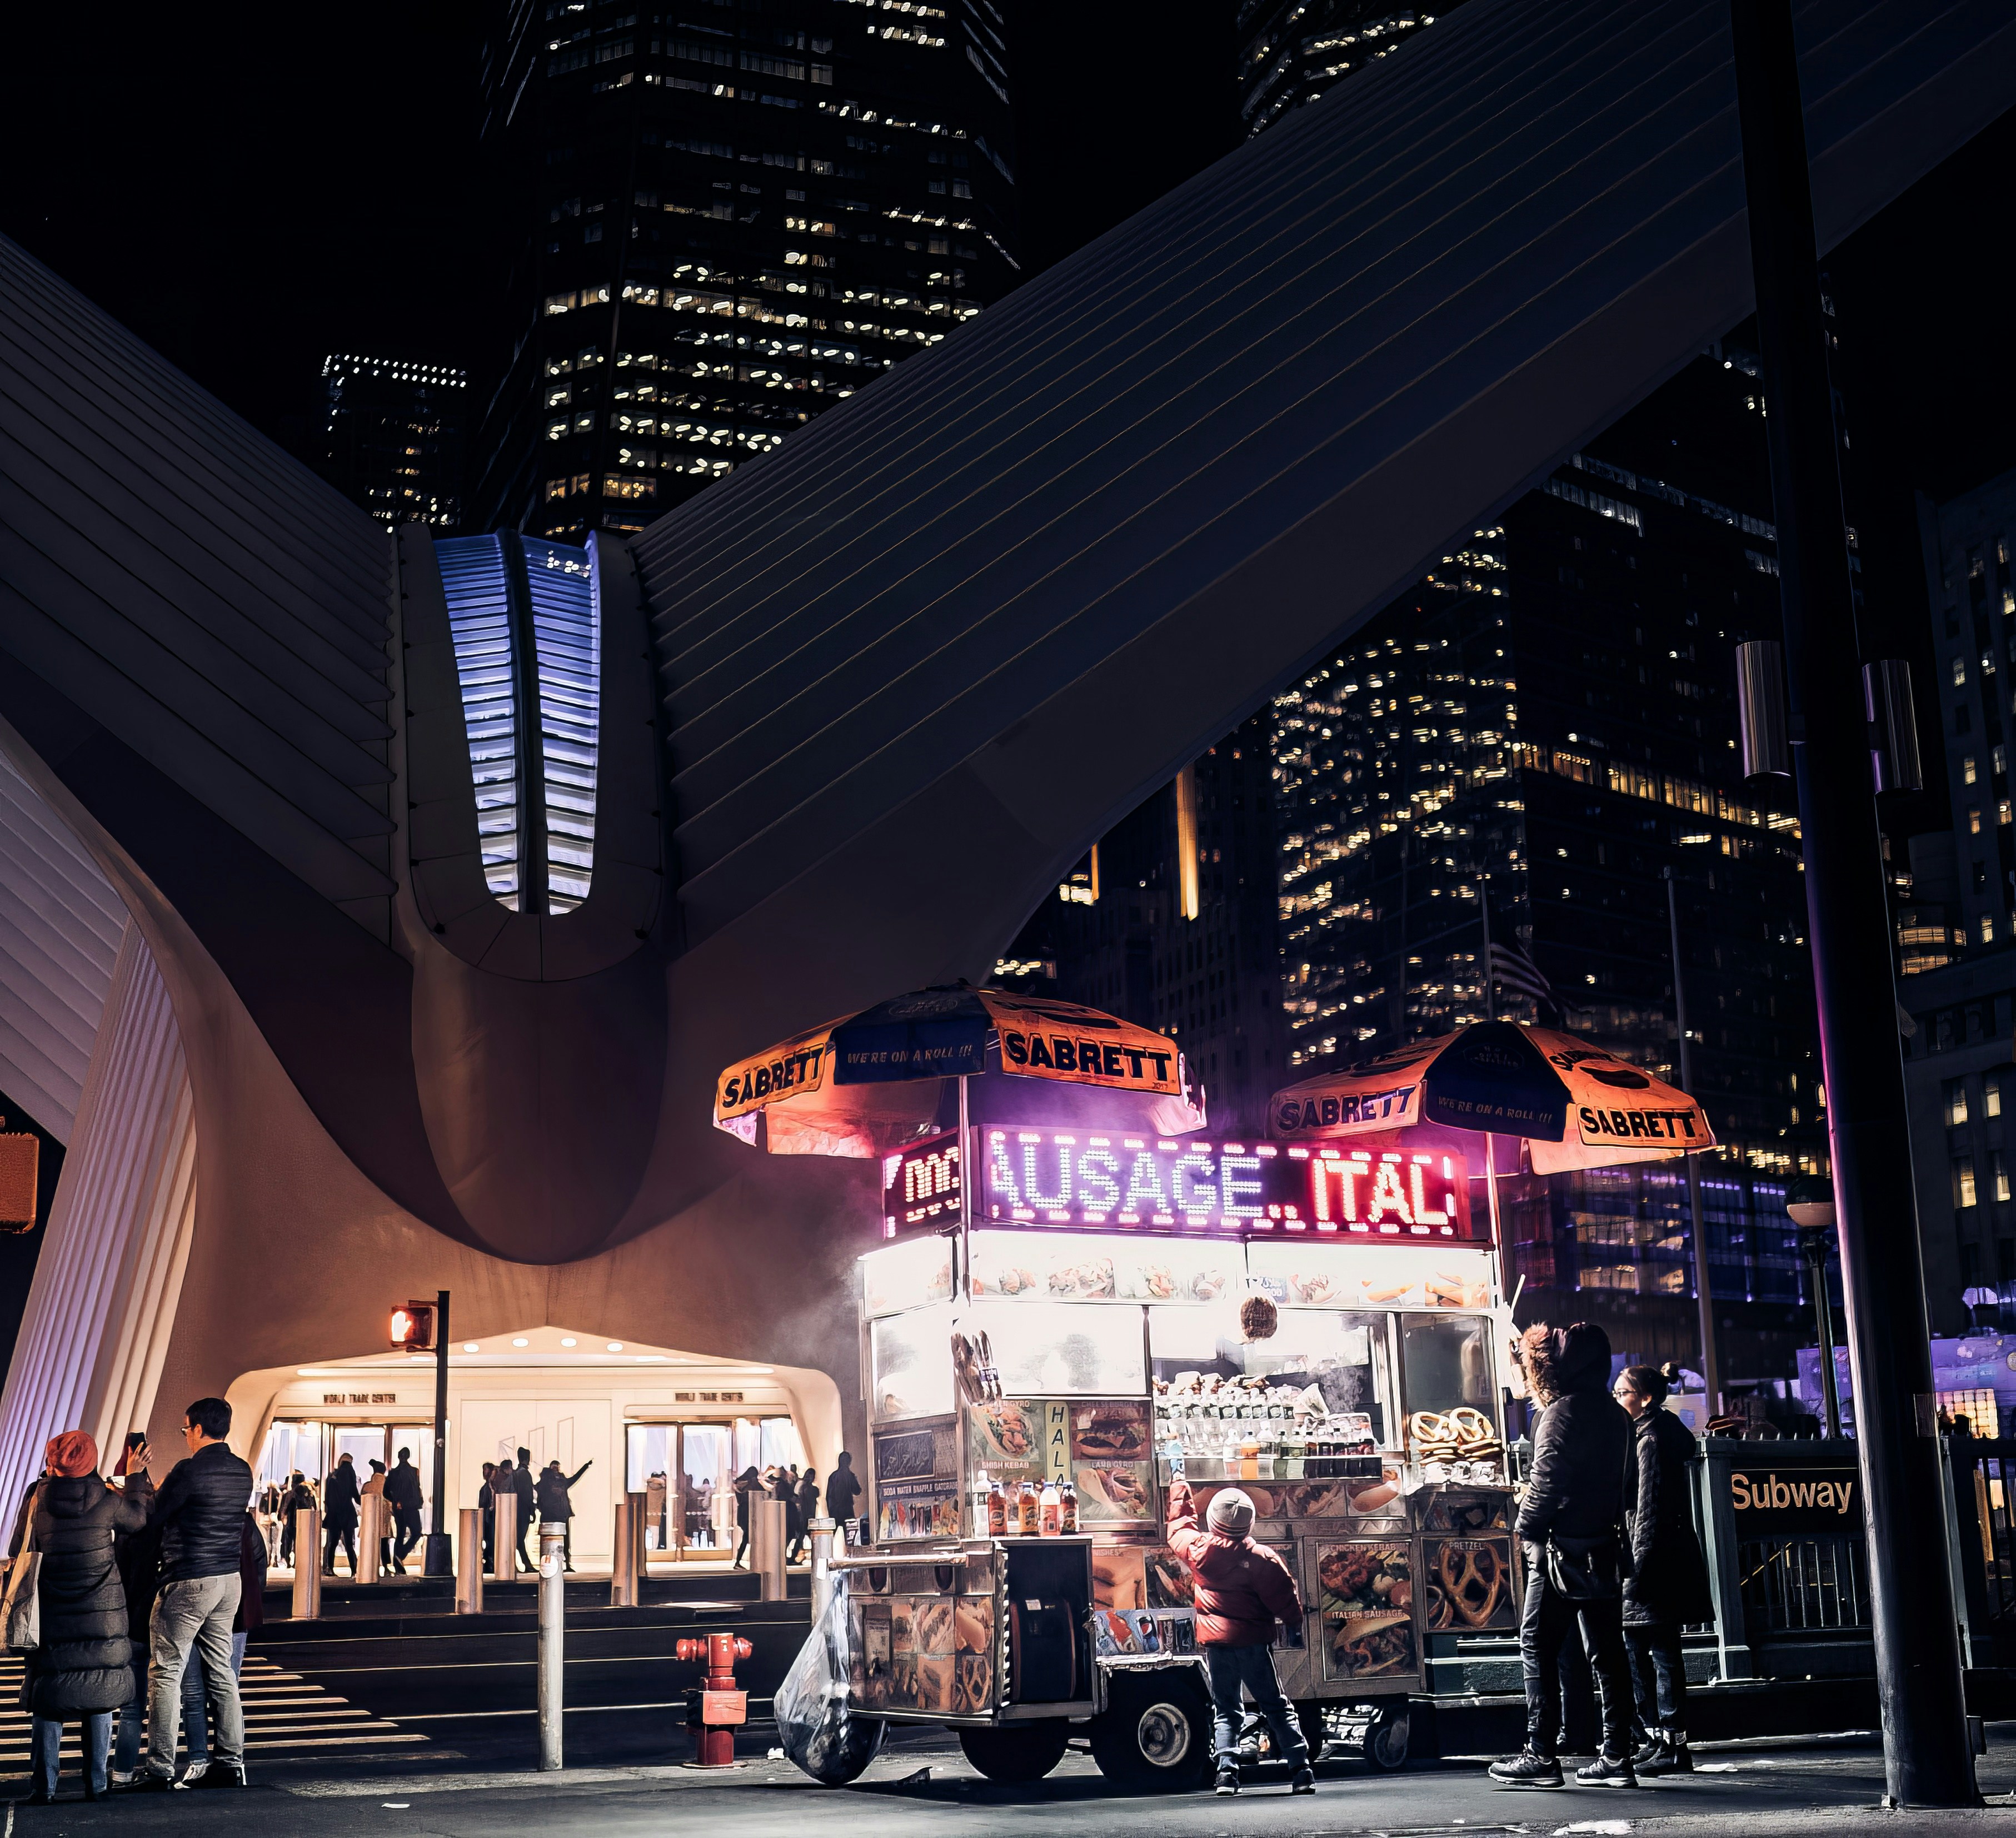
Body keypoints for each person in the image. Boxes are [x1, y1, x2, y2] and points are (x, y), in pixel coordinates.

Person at [1489, 1323, 1637, 1791]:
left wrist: (1526, 1527)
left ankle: (1540, 1754)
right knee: (1609, 1653)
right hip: (1604, 1548)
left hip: (1559, 1551)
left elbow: (1546, 1484)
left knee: (1537, 1644)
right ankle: (1617, 1755)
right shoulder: (1618, 1415)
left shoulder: (1560, 1413)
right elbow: (1629, 1488)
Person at [119, 1396, 256, 1792]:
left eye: (186, 1429)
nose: (186, 1436)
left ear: (197, 1428)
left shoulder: (189, 1469)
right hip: (228, 1580)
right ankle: (230, 1763)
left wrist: (135, 1479)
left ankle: (160, 1768)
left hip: (188, 1578)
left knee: (166, 1672)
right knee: (222, 1672)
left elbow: (150, 1519)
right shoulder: (242, 1470)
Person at [13, 1431, 148, 1803]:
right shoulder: (106, 1499)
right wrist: (135, 1476)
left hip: (51, 1614)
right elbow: (138, 1520)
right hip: (102, 1616)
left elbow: (17, 1547)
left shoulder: (37, 1498)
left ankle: (44, 1787)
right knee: (99, 1695)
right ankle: (97, 1784)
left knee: (49, 1696)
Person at [1165, 1478, 1312, 1796]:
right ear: (1250, 1524)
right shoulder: (1263, 1559)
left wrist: (1179, 1486)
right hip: (1254, 1645)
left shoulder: (1198, 1550)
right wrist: (1294, 1623)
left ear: (1212, 1520)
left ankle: (1227, 1776)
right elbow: (1285, 1599)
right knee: (1276, 1706)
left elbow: (1178, 1527)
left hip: (1218, 1646)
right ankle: (1301, 1771)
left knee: (1226, 1709)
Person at [1616, 1361, 1715, 1777]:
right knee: (1646, 1651)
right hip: (1661, 1557)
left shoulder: (1650, 1440)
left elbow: (1648, 1510)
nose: (1616, 1398)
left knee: (1658, 1652)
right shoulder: (1649, 1433)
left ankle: (1671, 1744)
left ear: (1646, 1398)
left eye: (1623, 1392)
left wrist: (1635, 1571)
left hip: (1653, 1561)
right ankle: (1658, 1741)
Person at [535, 1460, 592, 1571]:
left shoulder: (557, 1481)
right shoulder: (551, 1481)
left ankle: (565, 1563)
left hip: (558, 1515)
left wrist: (586, 1466)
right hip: (556, 1515)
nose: (556, 1470)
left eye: (557, 1468)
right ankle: (557, 1563)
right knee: (555, 1540)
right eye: (554, 1468)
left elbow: (575, 1478)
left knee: (562, 1540)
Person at [385, 1447, 425, 1573]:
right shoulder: (413, 1471)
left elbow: (386, 1492)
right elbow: (417, 1488)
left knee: (401, 1534)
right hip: (411, 1507)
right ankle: (400, 1557)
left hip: (401, 1508)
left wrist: (395, 1501)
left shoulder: (394, 1473)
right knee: (415, 1532)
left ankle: (399, 1561)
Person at [321, 1453, 360, 1577]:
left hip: (334, 1514)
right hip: (347, 1512)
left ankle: (329, 1568)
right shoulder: (350, 1472)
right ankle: (354, 1570)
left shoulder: (332, 1476)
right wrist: (363, 1500)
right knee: (349, 1543)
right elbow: (354, 1492)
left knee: (332, 1542)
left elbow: (328, 1497)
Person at [506, 1449, 537, 1568]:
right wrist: (532, 1510)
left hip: (516, 1510)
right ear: (527, 1458)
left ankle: (518, 1565)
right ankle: (526, 1565)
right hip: (523, 1510)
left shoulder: (516, 1473)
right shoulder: (525, 1474)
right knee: (519, 1539)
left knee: (518, 1539)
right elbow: (527, 1495)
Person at [824, 1452, 861, 1536]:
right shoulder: (850, 1476)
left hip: (835, 1511)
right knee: (849, 1535)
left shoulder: (833, 1476)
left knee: (836, 1536)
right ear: (849, 1462)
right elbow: (857, 1491)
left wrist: (830, 1511)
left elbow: (828, 1496)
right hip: (847, 1511)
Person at [361, 1460, 389, 1572]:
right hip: (385, 1520)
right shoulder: (388, 1485)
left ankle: (370, 1567)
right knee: (384, 1543)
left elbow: (361, 1502)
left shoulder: (368, 1486)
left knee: (371, 1544)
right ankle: (386, 1567)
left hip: (370, 1520)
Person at [731, 1467, 760, 1569]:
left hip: (742, 1513)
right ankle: (739, 1562)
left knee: (746, 1537)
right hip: (748, 1513)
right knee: (747, 1538)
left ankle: (739, 1562)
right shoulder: (751, 1485)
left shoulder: (740, 1485)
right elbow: (760, 1491)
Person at [790, 1467, 820, 1563]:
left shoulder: (813, 1489)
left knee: (810, 1537)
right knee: (801, 1537)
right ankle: (794, 1557)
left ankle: (814, 1557)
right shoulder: (803, 1487)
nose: (810, 1478)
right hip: (803, 1515)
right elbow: (797, 1500)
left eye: (812, 1476)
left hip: (810, 1515)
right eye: (809, 1475)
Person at [477, 1462, 497, 1572]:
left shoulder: (492, 1488)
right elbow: (483, 1506)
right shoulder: (485, 1489)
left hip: (491, 1518)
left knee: (491, 1541)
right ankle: (489, 1564)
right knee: (489, 1541)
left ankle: (490, 1563)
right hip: (488, 1519)